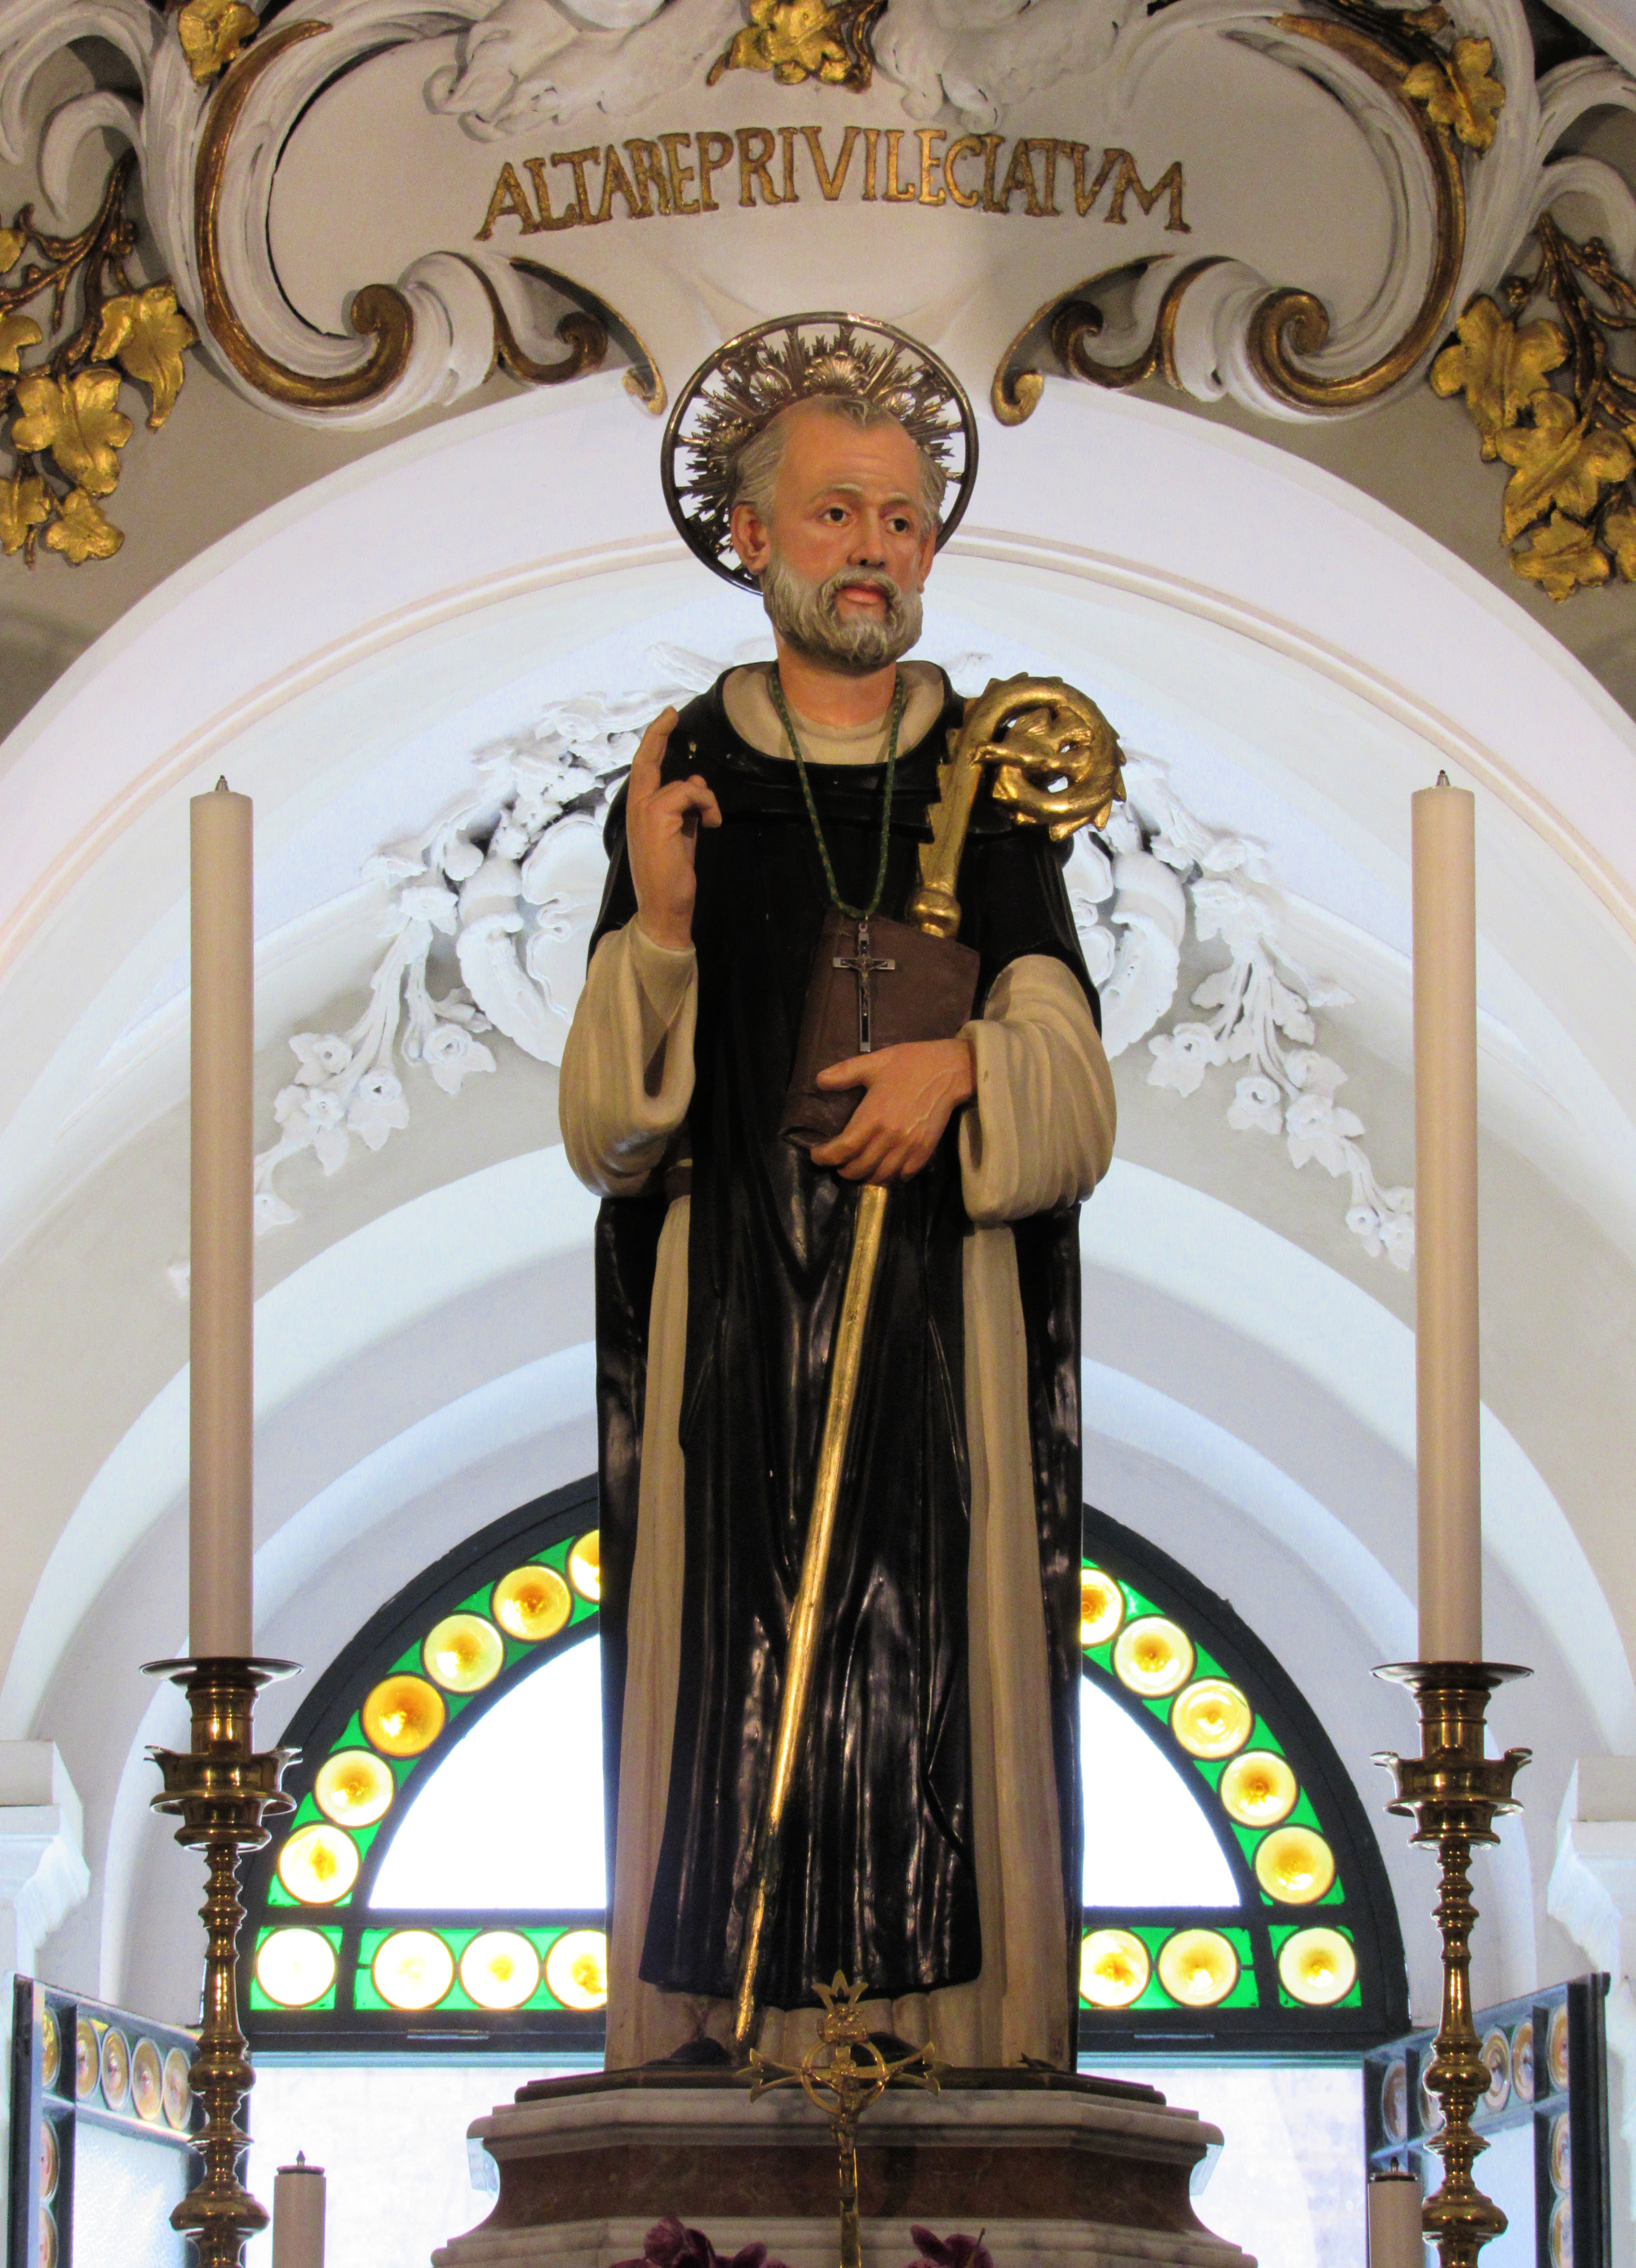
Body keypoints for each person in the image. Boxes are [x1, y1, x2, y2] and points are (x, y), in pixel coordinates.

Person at [561, 334, 1115, 2070]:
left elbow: (1074, 1091)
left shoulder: (985, 779)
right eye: (835, 512)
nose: (874, 548)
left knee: (933, 1659)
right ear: (750, 536)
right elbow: (608, 1131)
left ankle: (945, 2027)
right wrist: (662, 922)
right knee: (730, 1662)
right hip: (735, 1311)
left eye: (902, 518)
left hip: (937, 1319)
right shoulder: (687, 774)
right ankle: (721, 2030)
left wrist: (966, 1073)